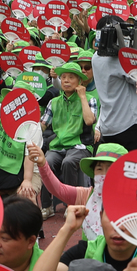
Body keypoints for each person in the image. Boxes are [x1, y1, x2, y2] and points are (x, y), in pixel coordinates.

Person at [90, 17, 137, 151]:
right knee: (131, 167)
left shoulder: (95, 57)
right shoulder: (119, 60)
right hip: (128, 123)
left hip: (107, 124)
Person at [42, 62, 98, 190]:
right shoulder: (54, 102)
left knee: (68, 162)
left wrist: (82, 97)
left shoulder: (89, 99)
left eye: (71, 77)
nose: (66, 80)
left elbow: (89, 121)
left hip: (80, 146)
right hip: (58, 145)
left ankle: (71, 204)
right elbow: (43, 124)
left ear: (79, 81)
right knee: (46, 163)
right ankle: (46, 206)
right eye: (64, 77)